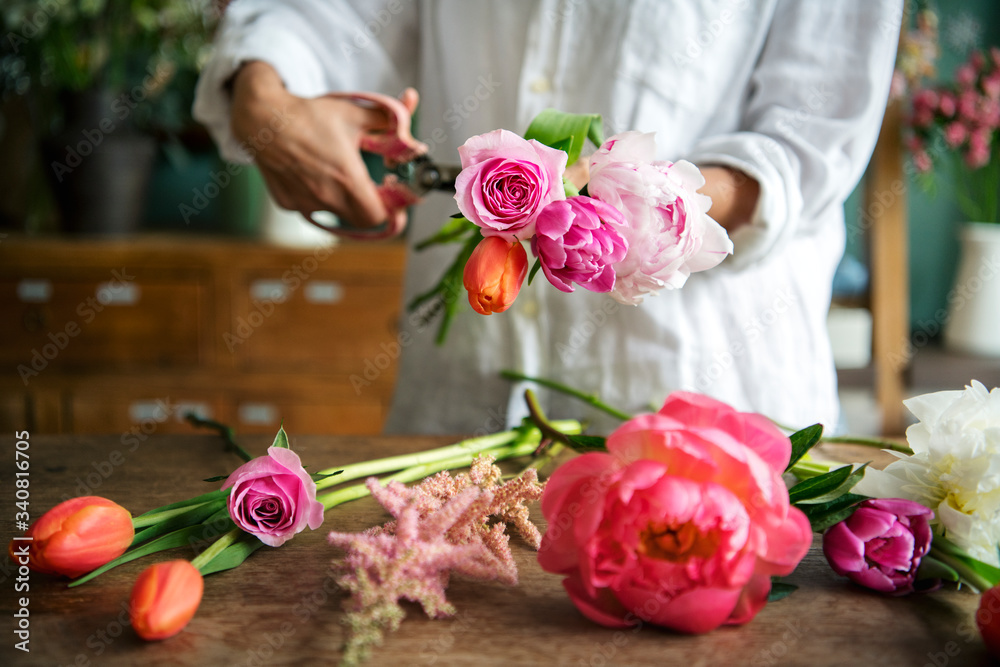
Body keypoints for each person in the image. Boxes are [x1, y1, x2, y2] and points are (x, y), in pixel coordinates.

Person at [194, 0, 902, 434]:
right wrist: (265, 95)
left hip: (705, 407)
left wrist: (638, 206)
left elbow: (808, 141)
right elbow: (329, 17)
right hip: (455, 403)